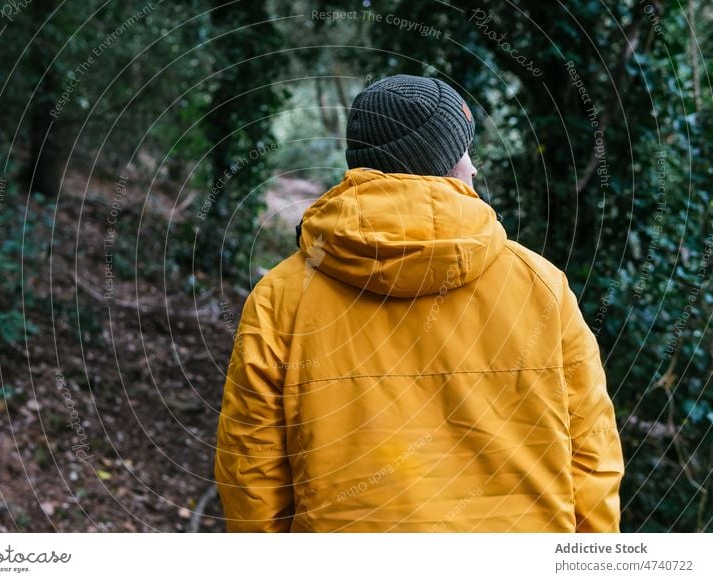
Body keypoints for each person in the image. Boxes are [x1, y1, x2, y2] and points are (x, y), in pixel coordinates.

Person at [215, 74, 624, 532]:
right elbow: (593, 458)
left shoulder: (280, 297)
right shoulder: (542, 286)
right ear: (442, 162)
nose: (472, 168)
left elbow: (251, 469)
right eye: (463, 151)